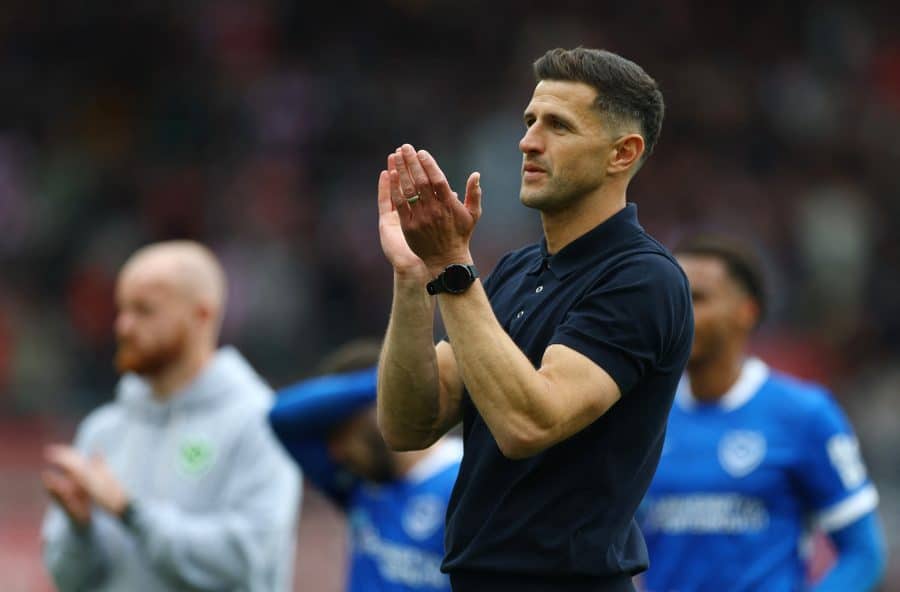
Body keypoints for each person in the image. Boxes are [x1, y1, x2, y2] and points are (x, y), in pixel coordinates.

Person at [375, 47, 694, 592]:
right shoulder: (516, 271)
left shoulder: (642, 278)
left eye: (558, 126)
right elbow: (408, 425)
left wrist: (452, 267)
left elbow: (529, 425)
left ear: (622, 154)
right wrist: (413, 280)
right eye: (529, 121)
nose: (527, 141)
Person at [41, 240, 301, 592]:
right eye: (122, 310)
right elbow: (67, 580)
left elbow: (247, 556)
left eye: (144, 311)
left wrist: (131, 512)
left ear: (202, 315)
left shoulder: (260, 422)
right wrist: (79, 529)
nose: (123, 326)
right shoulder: (103, 428)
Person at [639, 235, 887, 591]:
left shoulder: (804, 414)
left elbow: (864, 553)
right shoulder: (645, 418)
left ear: (747, 311)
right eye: (672, 298)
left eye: (698, 298)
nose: (679, 312)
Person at [268, 338, 462, 592]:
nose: (335, 452)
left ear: (380, 409)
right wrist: (400, 379)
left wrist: (396, 388)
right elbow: (279, 415)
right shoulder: (358, 482)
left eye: (341, 432)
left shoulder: (464, 478)